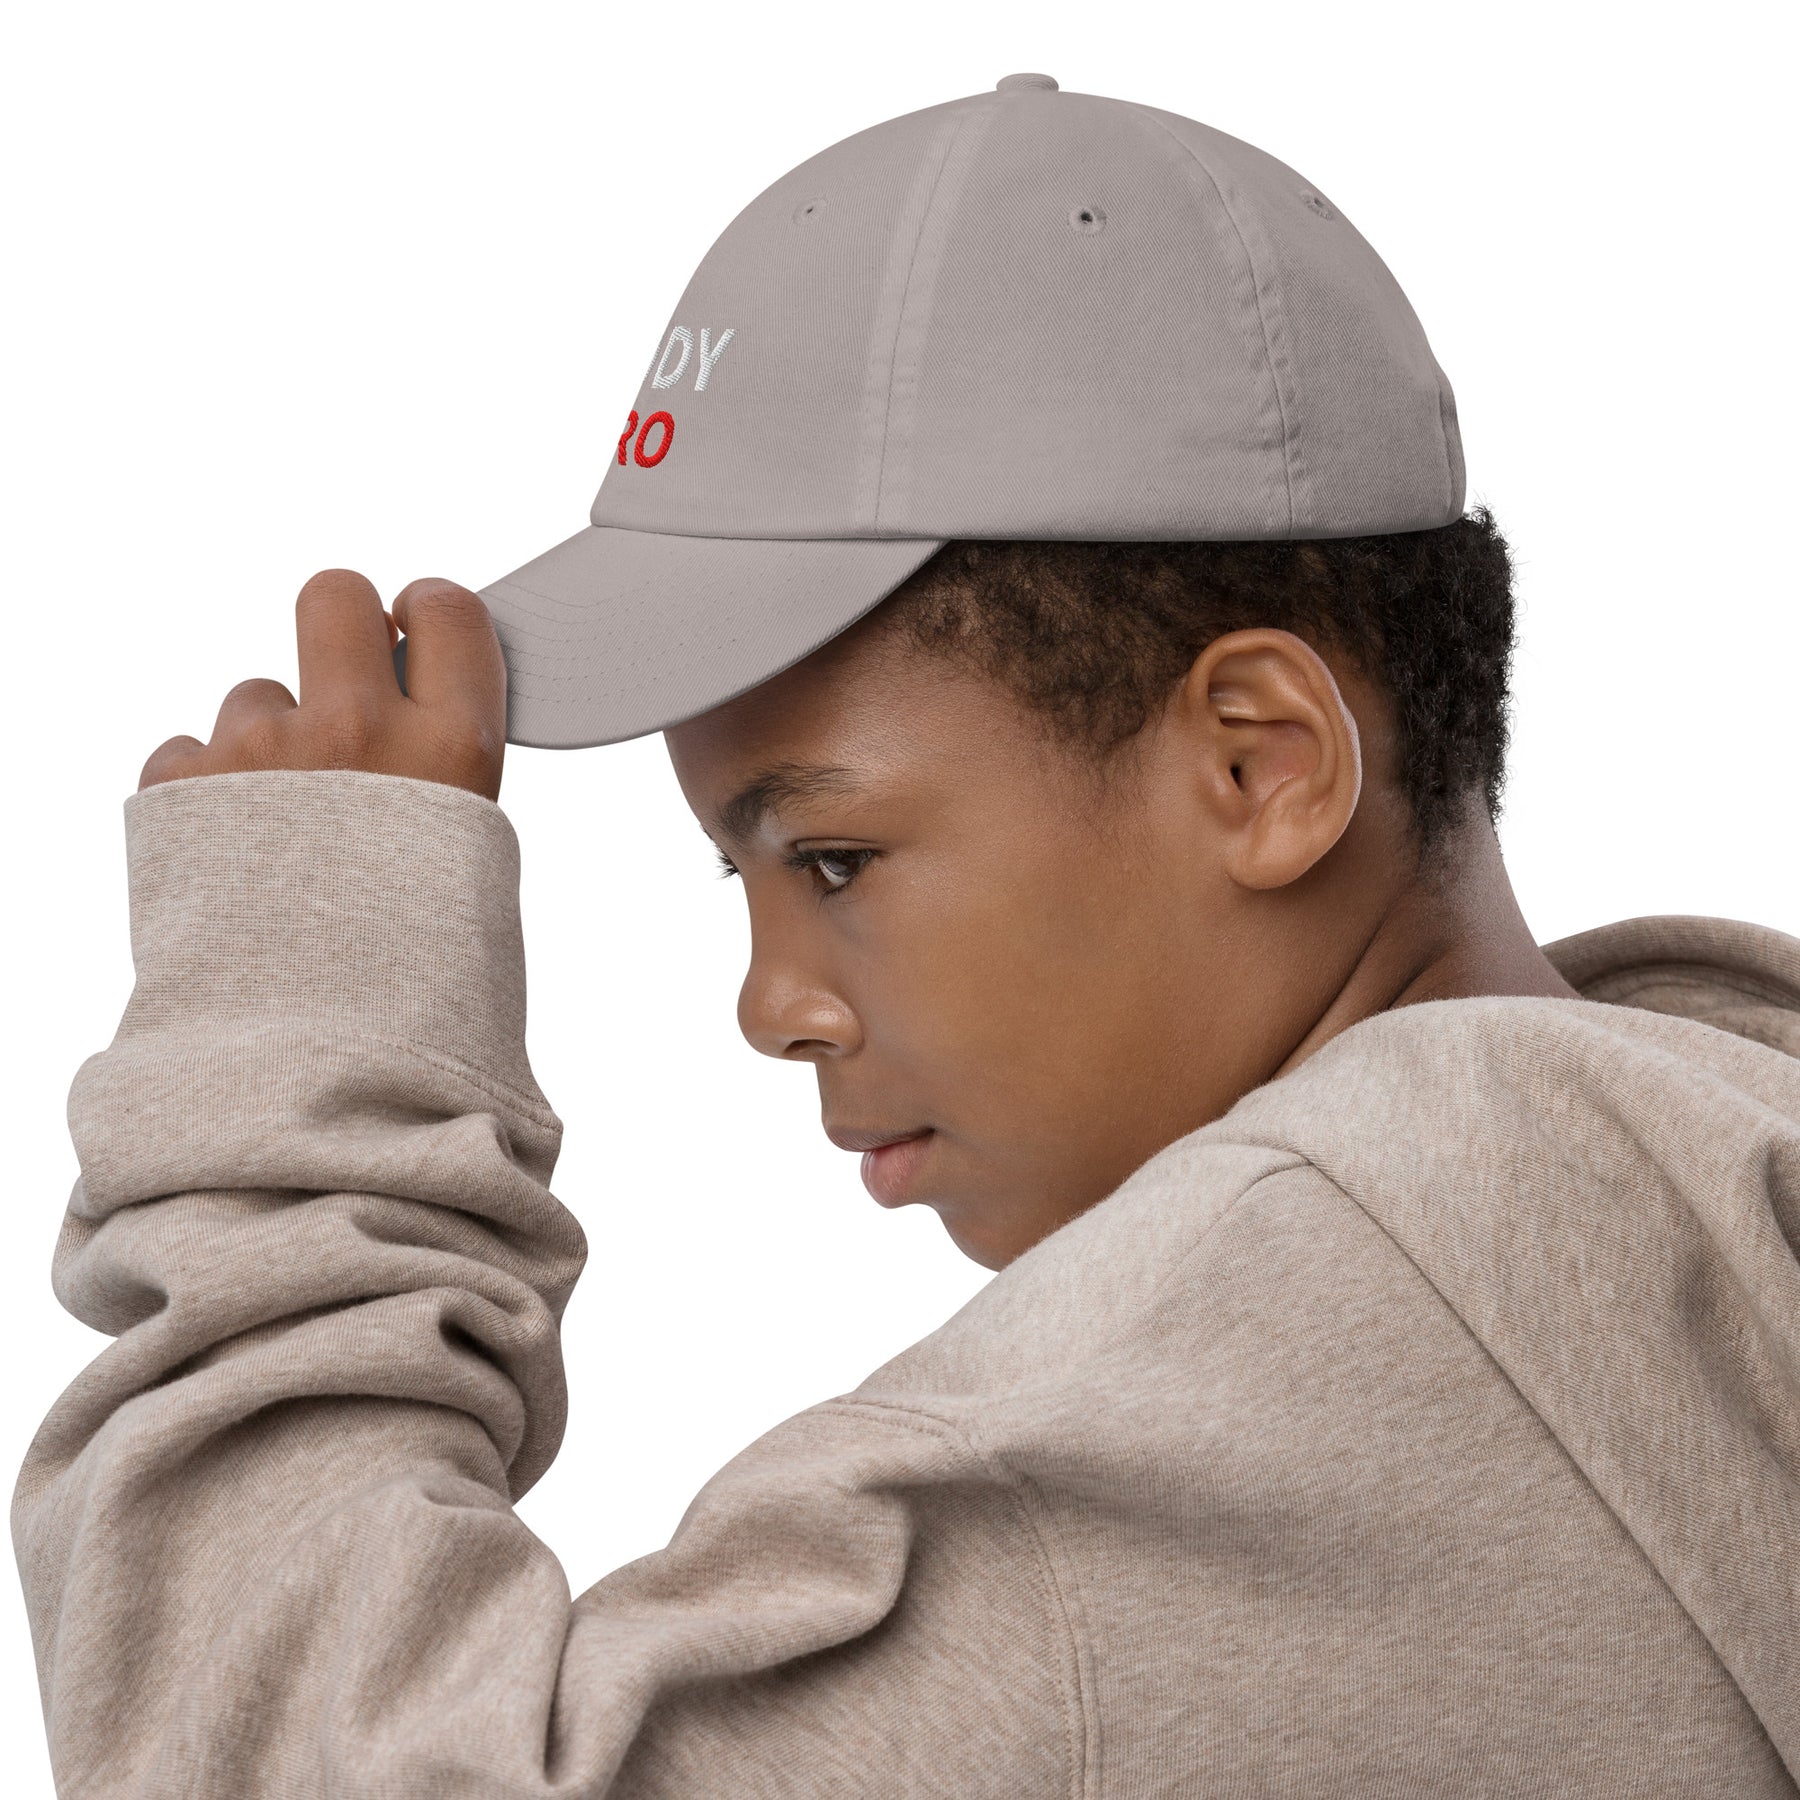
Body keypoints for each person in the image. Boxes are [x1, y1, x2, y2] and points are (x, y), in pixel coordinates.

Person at [12, 72, 1799, 1798]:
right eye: (738, 876)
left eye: (836, 857)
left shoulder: (1249, 1404)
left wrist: (307, 1039)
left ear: (1260, 765)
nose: (772, 1006)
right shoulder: (1693, 1192)